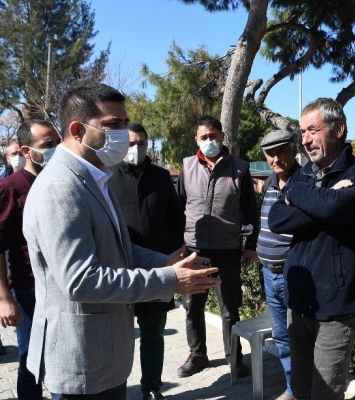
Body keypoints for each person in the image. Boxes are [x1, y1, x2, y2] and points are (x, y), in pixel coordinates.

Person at [22, 82, 220, 399]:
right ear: (77, 130)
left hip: (104, 356)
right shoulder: (60, 188)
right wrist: (169, 280)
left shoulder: (97, 177)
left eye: (125, 123)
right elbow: (81, 281)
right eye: (113, 125)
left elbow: (116, 246)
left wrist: (164, 262)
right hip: (82, 360)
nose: (124, 134)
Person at [268, 98, 355, 400]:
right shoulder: (304, 174)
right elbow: (277, 219)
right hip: (298, 303)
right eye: (302, 132)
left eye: (312, 130)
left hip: (336, 308)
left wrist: (298, 195)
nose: (305, 140)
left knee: (324, 394)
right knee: (300, 390)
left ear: (338, 129)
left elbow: (333, 209)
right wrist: (323, 197)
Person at [176, 115, 259, 378]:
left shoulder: (240, 168)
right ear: (196, 139)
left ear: (222, 136)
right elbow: (178, 208)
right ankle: (198, 355)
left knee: (230, 311)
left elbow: (250, 210)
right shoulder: (187, 166)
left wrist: (251, 245)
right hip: (195, 251)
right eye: (204, 137)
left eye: (213, 136)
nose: (209, 141)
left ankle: (235, 359)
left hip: (228, 250)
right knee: (192, 308)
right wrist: (179, 247)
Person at [108, 123, 185, 400]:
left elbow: (176, 218)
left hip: (157, 268)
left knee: (153, 333)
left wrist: (172, 255)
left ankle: (151, 387)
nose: (136, 148)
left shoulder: (161, 176)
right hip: (120, 269)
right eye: (130, 143)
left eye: (141, 143)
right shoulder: (107, 176)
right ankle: (113, 386)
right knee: (117, 334)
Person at [0, 119, 59, 399]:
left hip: (63, 287)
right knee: (29, 362)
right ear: (26, 151)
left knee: (59, 359)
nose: (55, 149)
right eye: (48, 145)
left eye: (57, 143)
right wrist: (5, 299)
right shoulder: (10, 188)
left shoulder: (60, 181)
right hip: (28, 291)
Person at [256, 129, 300, 400]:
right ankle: (292, 389)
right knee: (282, 336)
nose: (276, 159)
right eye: (270, 154)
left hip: (293, 275)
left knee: (301, 336)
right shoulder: (269, 183)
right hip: (269, 274)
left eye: (281, 151)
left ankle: (305, 388)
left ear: (294, 150)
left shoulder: (304, 182)